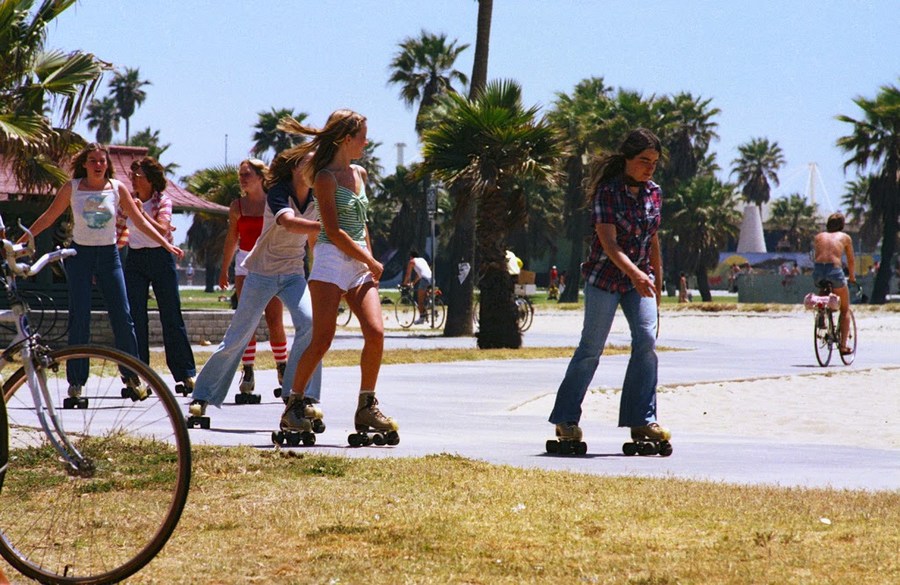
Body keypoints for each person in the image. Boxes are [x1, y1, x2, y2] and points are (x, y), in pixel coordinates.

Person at [20, 143, 183, 396]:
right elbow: (49, 217)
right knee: (79, 317)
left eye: (102, 161)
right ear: (84, 164)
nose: (98, 165)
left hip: (109, 256)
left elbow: (139, 221)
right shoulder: (72, 188)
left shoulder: (116, 189)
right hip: (80, 256)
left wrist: (165, 244)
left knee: (123, 316)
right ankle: (76, 383)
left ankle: (132, 376)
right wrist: (22, 239)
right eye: (93, 160)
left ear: (107, 165)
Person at [278, 109, 398, 440]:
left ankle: (366, 407)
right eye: (363, 135)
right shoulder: (325, 178)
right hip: (331, 259)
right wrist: (370, 260)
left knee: (375, 333)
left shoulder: (359, 173)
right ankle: (294, 405)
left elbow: (362, 225)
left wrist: (369, 261)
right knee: (323, 338)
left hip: (359, 261)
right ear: (347, 139)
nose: (367, 141)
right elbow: (332, 229)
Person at [548, 128, 670, 449]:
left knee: (646, 341)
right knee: (591, 349)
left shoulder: (654, 192)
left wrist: (656, 285)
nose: (649, 168)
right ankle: (566, 419)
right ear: (627, 159)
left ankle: (641, 420)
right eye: (644, 160)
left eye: (654, 163)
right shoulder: (608, 191)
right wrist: (636, 275)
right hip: (605, 278)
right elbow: (608, 242)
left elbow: (653, 240)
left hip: (640, 281)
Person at [188, 148, 322, 420]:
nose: (317, 168)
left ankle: (301, 395)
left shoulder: (318, 198)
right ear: (296, 169)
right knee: (237, 337)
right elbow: (289, 223)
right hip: (260, 273)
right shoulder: (277, 193)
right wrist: (327, 227)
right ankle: (202, 395)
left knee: (310, 324)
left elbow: (313, 243)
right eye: (311, 163)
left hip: (294, 273)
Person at [123, 156, 196, 391]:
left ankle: (185, 373)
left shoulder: (163, 201)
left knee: (171, 315)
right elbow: (118, 230)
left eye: (138, 175)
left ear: (151, 179)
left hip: (161, 257)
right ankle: (137, 373)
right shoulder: (126, 201)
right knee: (135, 317)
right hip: (135, 258)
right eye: (132, 175)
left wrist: (140, 214)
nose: (134, 179)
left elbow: (163, 229)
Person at [219, 158, 289, 397]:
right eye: (241, 175)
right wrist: (224, 269)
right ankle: (247, 371)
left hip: (269, 263)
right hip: (245, 265)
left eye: (247, 174)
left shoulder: (274, 202)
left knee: (274, 320)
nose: (242, 179)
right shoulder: (237, 206)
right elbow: (231, 239)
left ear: (261, 177)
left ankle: (282, 368)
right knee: (246, 320)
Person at [812, 212, 856, 354]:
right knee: (845, 310)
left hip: (818, 271)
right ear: (842, 226)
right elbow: (850, 260)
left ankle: (821, 314)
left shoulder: (818, 237)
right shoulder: (845, 238)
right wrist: (852, 277)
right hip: (834, 271)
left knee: (823, 287)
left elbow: (816, 255)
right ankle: (843, 347)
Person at [402, 249, 433, 324]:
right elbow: (419, 275)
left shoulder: (412, 261)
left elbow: (408, 274)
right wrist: (413, 283)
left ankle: (422, 318)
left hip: (425, 280)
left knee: (420, 300)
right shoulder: (422, 260)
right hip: (432, 278)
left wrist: (404, 283)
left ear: (411, 257)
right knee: (424, 296)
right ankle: (429, 308)